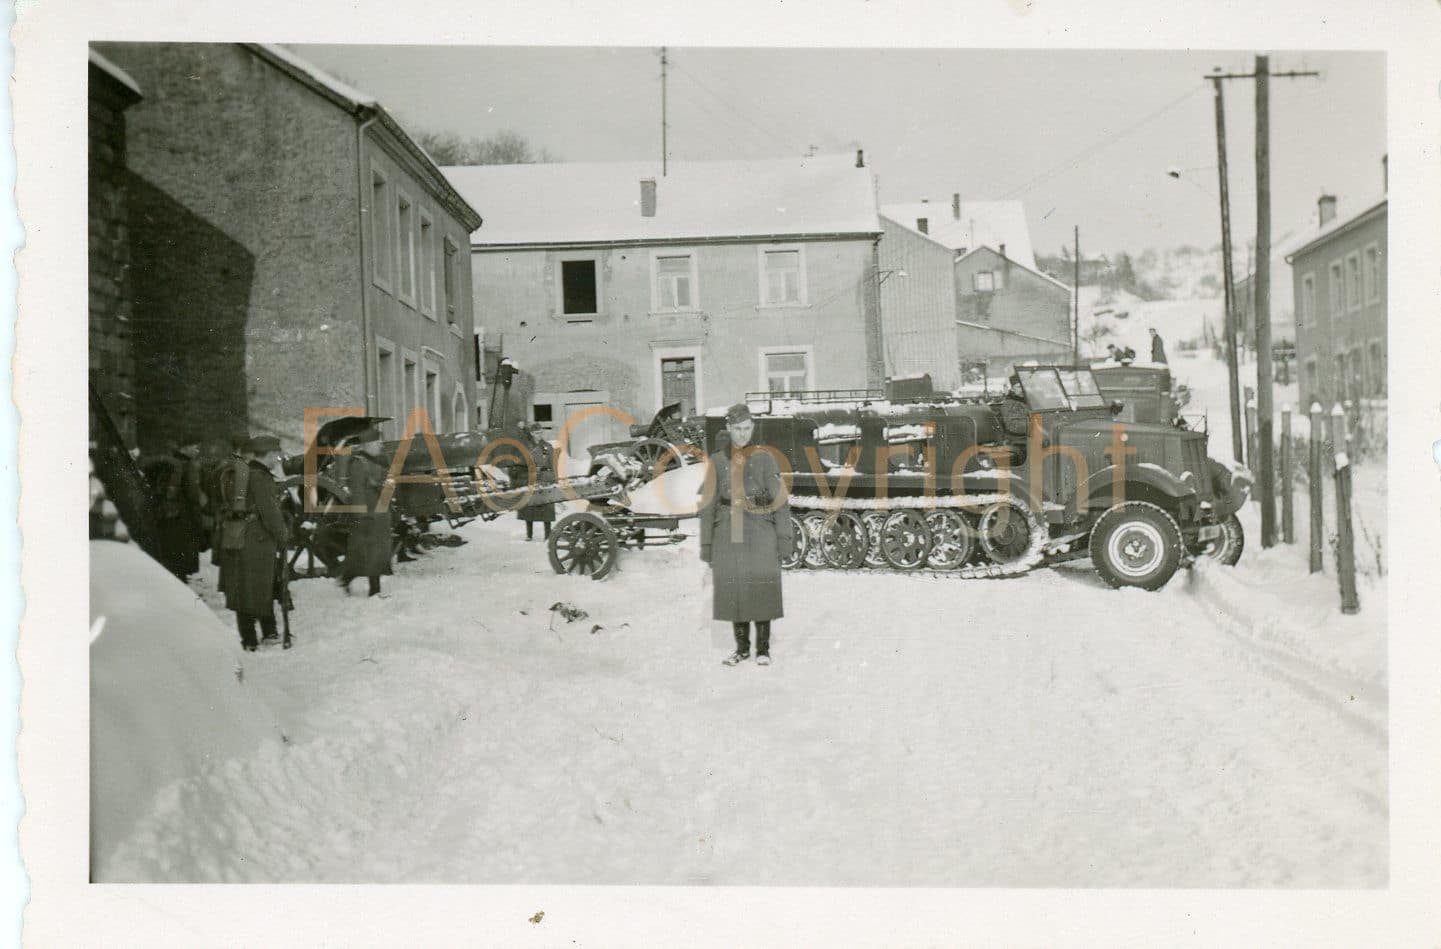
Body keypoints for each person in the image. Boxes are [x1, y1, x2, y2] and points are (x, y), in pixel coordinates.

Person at [699, 403, 793, 667]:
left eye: (747, 428)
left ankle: (763, 649)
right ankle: (741, 649)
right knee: (734, 587)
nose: (743, 433)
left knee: (761, 586)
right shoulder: (717, 461)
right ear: (729, 429)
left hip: (760, 529)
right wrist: (707, 544)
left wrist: (784, 539)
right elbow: (707, 506)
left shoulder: (765, 458)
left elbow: (780, 502)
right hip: (728, 530)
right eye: (738, 429)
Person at [217, 435, 288, 651]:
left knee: (245, 588)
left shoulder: (244, 473)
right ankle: (262, 636)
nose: (278, 459)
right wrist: (283, 535)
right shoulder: (261, 477)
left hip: (239, 536)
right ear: (269, 454)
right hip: (258, 540)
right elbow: (270, 513)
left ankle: (252, 637)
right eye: (276, 454)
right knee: (261, 586)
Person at [337, 428, 393, 597]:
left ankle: (348, 578)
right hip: (369, 517)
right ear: (367, 445)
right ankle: (371, 589)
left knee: (374, 553)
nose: (380, 445)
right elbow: (358, 493)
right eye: (376, 442)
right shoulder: (359, 464)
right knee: (369, 553)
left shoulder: (378, 461)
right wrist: (361, 517)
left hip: (379, 515)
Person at [518, 425, 557, 541]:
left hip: (545, 478)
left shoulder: (548, 446)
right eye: (536, 433)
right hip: (531, 478)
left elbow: (553, 464)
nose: (539, 435)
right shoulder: (525, 447)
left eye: (540, 432)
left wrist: (554, 479)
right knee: (529, 506)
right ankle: (529, 535)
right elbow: (521, 464)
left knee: (547, 507)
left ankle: (547, 535)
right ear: (531, 433)